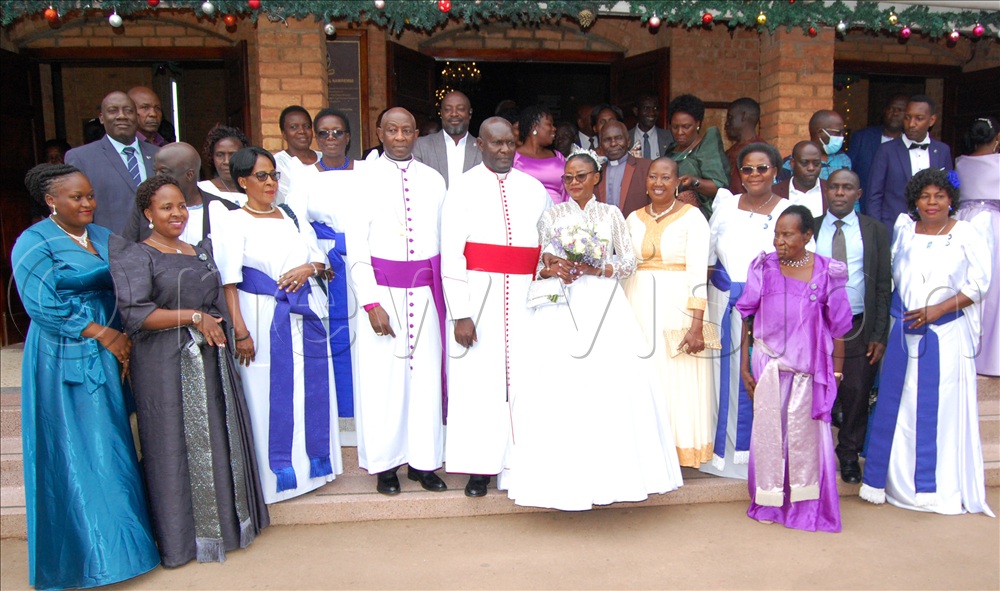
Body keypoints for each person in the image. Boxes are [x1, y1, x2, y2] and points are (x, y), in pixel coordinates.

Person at [502, 149, 683, 510]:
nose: (573, 183)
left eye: (581, 176)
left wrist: (597, 269)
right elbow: (539, 261)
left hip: (603, 302)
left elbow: (629, 260)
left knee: (610, 381)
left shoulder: (612, 214)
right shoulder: (551, 215)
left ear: (596, 178)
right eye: (568, 177)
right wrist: (554, 266)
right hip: (561, 303)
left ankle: (614, 476)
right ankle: (556, 478)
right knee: (557, 381)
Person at [12, 164, 159, 589]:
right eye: (77, 197)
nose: (88, 204)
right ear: (51, 200)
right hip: (64, 352)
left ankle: (129, 549)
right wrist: (104, 334)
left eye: (90, 196)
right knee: (80, 447)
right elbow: (40, 304)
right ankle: (86, 557)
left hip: (113, 344)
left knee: (114, 443)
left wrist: (124, 335)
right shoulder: (33, 241)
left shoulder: (101, 236)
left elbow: (126, 283)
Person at [109, 175, 268, 567]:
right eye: (166, 207)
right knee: (173, 446)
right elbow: (136, 314)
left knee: (218, 436)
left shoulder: (198, 251)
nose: (176, 213)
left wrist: (222, 326)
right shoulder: (135, 255)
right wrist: (194, 317)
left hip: (211, 361)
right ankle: (184, 541)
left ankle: (229, 530)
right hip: (164, 366)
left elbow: (217, 296)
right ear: (147, 213)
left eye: (181, 205)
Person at [861, 169, 994, 517]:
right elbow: (893, 281)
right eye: (925, 196)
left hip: (946, 336)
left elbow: (979, 284)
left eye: (939, 196)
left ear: (951, 199)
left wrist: (938, 309)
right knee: (901, 406)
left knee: (939, 407)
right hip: (904, 332)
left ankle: (937, 488)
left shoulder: (966, 233)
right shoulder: (905, 231)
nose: (932, 203)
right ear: (914, 201)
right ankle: (896, 484)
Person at [213, 146, 342, 503]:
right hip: (261, 314)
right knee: (270, 390)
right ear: (242, 181)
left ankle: (314, 467)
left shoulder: (288, 216)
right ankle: (278, 476)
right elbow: (228, 282)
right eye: (261, 176)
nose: (270, 182)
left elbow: (321, 262)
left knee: (309, 384)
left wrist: (308, 268)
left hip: (303, 311)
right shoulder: (233, 220)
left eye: (274, 175)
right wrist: (240, 331)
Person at [442, 117, 552, 497]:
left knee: (524, 382)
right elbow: (451, 255)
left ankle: (520, 464)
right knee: (478, 385)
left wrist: (550, 294)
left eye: (510, 143)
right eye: (496, 144)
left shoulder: (535, 189)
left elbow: (548, 249)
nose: (504, 151)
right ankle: (479, 469)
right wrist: (460, 312)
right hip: (478, 298)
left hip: (525, 299)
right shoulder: (461, 188)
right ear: (480, 145)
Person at [345, 107, 449, 495]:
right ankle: (386, 466)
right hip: (381, 291)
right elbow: (355, 247)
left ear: (416, 134)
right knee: (382, 382)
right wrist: (371, 303)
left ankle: (424, 464)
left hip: (424, 292)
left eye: (407, 130)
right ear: (380, 133)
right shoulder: (362, 179)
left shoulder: (434, 180)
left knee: (423, 380)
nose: (400, 137)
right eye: (393, 130)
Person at [737, 205, 853, 532]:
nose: (779, 241)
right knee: (770, 438)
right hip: (768, 367)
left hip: (808, 373)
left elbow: (839, 328)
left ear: (807, 236)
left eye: (788, 234)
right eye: (776, 233)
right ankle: (771, 504)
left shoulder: (827, 272)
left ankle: (805, 509)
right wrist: (744, 366)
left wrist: (838, 372)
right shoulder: (764, 267)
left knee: (807, 442)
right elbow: (746, 317)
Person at [703, 142, 791, 480]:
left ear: (775, 171)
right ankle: (721, 454)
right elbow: (709, 256)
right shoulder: (725, 206)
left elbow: (798, 260)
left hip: (769, 307)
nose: (754, 175)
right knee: (718, 377)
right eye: (747, 169)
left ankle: (757, 455)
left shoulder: (789, 208)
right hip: (721, 303)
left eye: (762, 168)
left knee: (760, 375)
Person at [624, 156, 714, 468]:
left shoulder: (693, 218)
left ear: (677, 183)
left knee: (676, 377)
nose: (658, 183)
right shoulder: (632, 219)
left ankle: (678, 449)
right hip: (637, 306)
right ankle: (644, 447)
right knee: (643, 374)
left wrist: (696, 324)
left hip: (678, 309)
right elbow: (624, 268)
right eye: (653, 177)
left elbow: (698, 273)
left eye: (666, 177)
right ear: (645, 182)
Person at [813, 169, 891, 484]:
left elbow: (884, 286)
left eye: (847, 188)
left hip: (858, 324)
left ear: (859, 194)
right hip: (815, 324)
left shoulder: (875, 230)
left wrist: (879, 334)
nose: (840, 193)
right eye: (834, 187)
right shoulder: (811, 228)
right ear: (826, 191)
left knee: (856, 392)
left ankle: (848, 455)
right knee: (814, 390)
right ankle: (813, 457)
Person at [286, 108, 363, 419]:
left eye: (338, 132)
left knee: (365, 335)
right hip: (324, 263)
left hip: (362, 259)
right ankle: (339, 412)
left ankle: (364, 410)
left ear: (348, 137)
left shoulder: (366, 172)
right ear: (316, 138)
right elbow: (296, 223)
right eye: (324, 133)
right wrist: (318, 259)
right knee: (333, 334)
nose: (331, 138)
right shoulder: (304, 177)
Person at [65, 90, 158, 233]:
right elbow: (74, 211)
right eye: (113, 111)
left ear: (136, 117)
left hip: (158, 249)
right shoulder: (81, 158)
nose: (122, 116)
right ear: (102, 118)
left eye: (128, 111)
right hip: (108, 248)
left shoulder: (158, 155)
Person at [121, 141, 240, 244]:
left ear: (189, 175)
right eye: (155, 171)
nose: (157, 178)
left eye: (164, 172)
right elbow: (126, 250)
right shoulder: (145, 207)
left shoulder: (228, 211)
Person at [955, 116, 999, 376]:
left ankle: (966, 349)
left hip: (963, 221)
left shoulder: (960, 162)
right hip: (992, 225)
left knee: (964, 284)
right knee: (992, 289)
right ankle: (991, 358)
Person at [866, 95, 953, 228]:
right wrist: (878, 232)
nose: (911, 124)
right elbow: (874, 195)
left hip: (932, 229)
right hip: (893, 228)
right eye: (907, 117)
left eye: (919, 118)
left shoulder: (943, 150)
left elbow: (950, 190)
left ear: (932, 120)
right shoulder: (886, 150)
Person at [664, 94, 730, 218]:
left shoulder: (706, 147)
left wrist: (694, 182)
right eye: (675, 127)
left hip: (700, 217)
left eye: (686, 127)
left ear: (698, 123)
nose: (680, 132)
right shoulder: (671, 150)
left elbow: (719, 187)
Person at [412, 90, 482, 188]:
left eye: (460, 109)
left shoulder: (483, 148)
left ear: (470, 113)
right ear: (441, 113)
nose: (454, 114)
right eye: (448, 109)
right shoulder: (421, 146)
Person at [846, 93, 908, 203]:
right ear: (885, 111)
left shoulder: (911, 143)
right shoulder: (862, 138)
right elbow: (848, 173)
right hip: (864, 207)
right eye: (891, 108)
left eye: (900, 110)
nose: (895, 113)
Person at [513, 105, 570, 205]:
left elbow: (568, 192)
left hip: (559, 216)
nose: (554, 128)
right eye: (550, 124)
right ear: (535, 127)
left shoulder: (557, 156)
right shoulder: (514, 157)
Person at [595, 120, 651, 218]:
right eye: (607, 140)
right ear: (601, 145)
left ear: (628, 141)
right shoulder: (595, 173)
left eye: (618, 138)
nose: (613, 144)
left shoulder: (646, 167)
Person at [778, 110, 852, 183]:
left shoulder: (844, 159)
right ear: (820, 133)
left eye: (843, 132)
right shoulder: (791, 163)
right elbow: (780, 191)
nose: (841, 137)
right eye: (837, 133)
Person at [274, 105, 320, 204]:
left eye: (307, 126)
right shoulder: (277, 163)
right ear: (284, 134)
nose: (302, 131)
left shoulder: (324, 158)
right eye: (294, 127)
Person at [773, 141, 827, 217]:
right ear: (792, 163)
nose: (811, 168)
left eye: (816, 163)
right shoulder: (774, 192)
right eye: (804, 163)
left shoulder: (830, 190)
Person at [200, 124, 250, 205]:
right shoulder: (202, 190)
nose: (226, 161)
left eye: (233, 154)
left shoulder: (255, 189)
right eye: (220, 155)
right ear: (212, 157)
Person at [724, 97, 763, 195]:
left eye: (730, 117)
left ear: (743, 116)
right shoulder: (733, 150)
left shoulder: (759, 151)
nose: (726, 124)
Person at [629, 94, 673, 160]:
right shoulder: (626, 138)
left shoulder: (670, 137)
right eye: (646, 108)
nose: (652, 113)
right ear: (636, 111)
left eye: (655, 108)